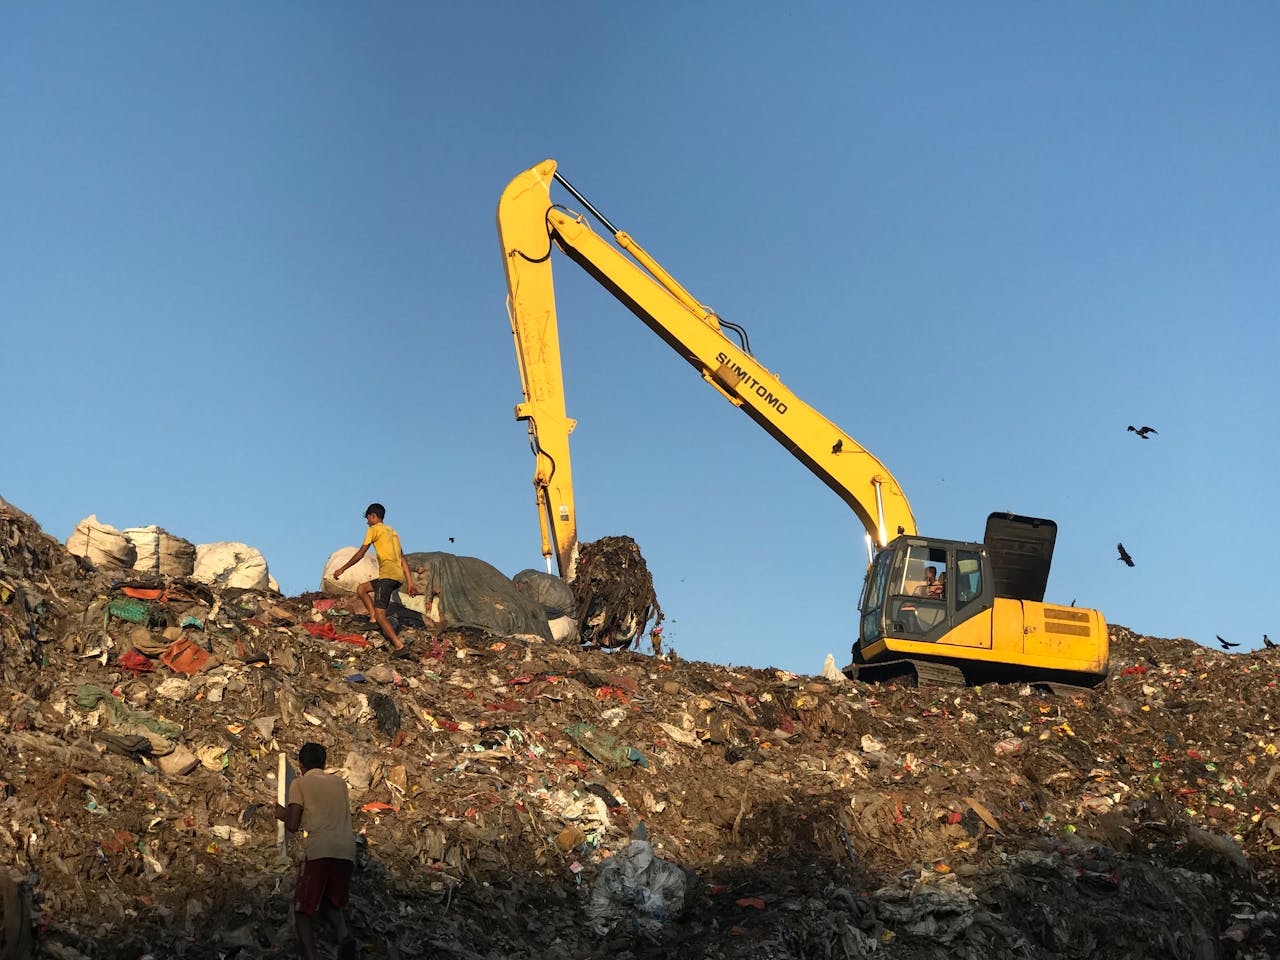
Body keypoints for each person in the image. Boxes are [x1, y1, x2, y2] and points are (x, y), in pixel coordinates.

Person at [275, 742, 357, 960]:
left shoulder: (299, 784)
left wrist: (280, 813)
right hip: (347, 851)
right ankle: (344, 936)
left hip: (320, 850)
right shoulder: (340, 783)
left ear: (301, 765)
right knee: (332, 903)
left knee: (303, 909)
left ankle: (310, 955)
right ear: (324, 763)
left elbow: (293, 824)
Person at [333, 503, 418, 655]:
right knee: (362, 589)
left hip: (387, 576)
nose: (367, 522)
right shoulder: (393, 532)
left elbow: (361, 553)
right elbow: (403, 558)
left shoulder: (373, 530)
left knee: (381, 614)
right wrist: (410, 582)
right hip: (397, 577)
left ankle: (399, 645)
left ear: (373, 516)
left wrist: (342, 569)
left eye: (368, 518)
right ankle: (372, 619)